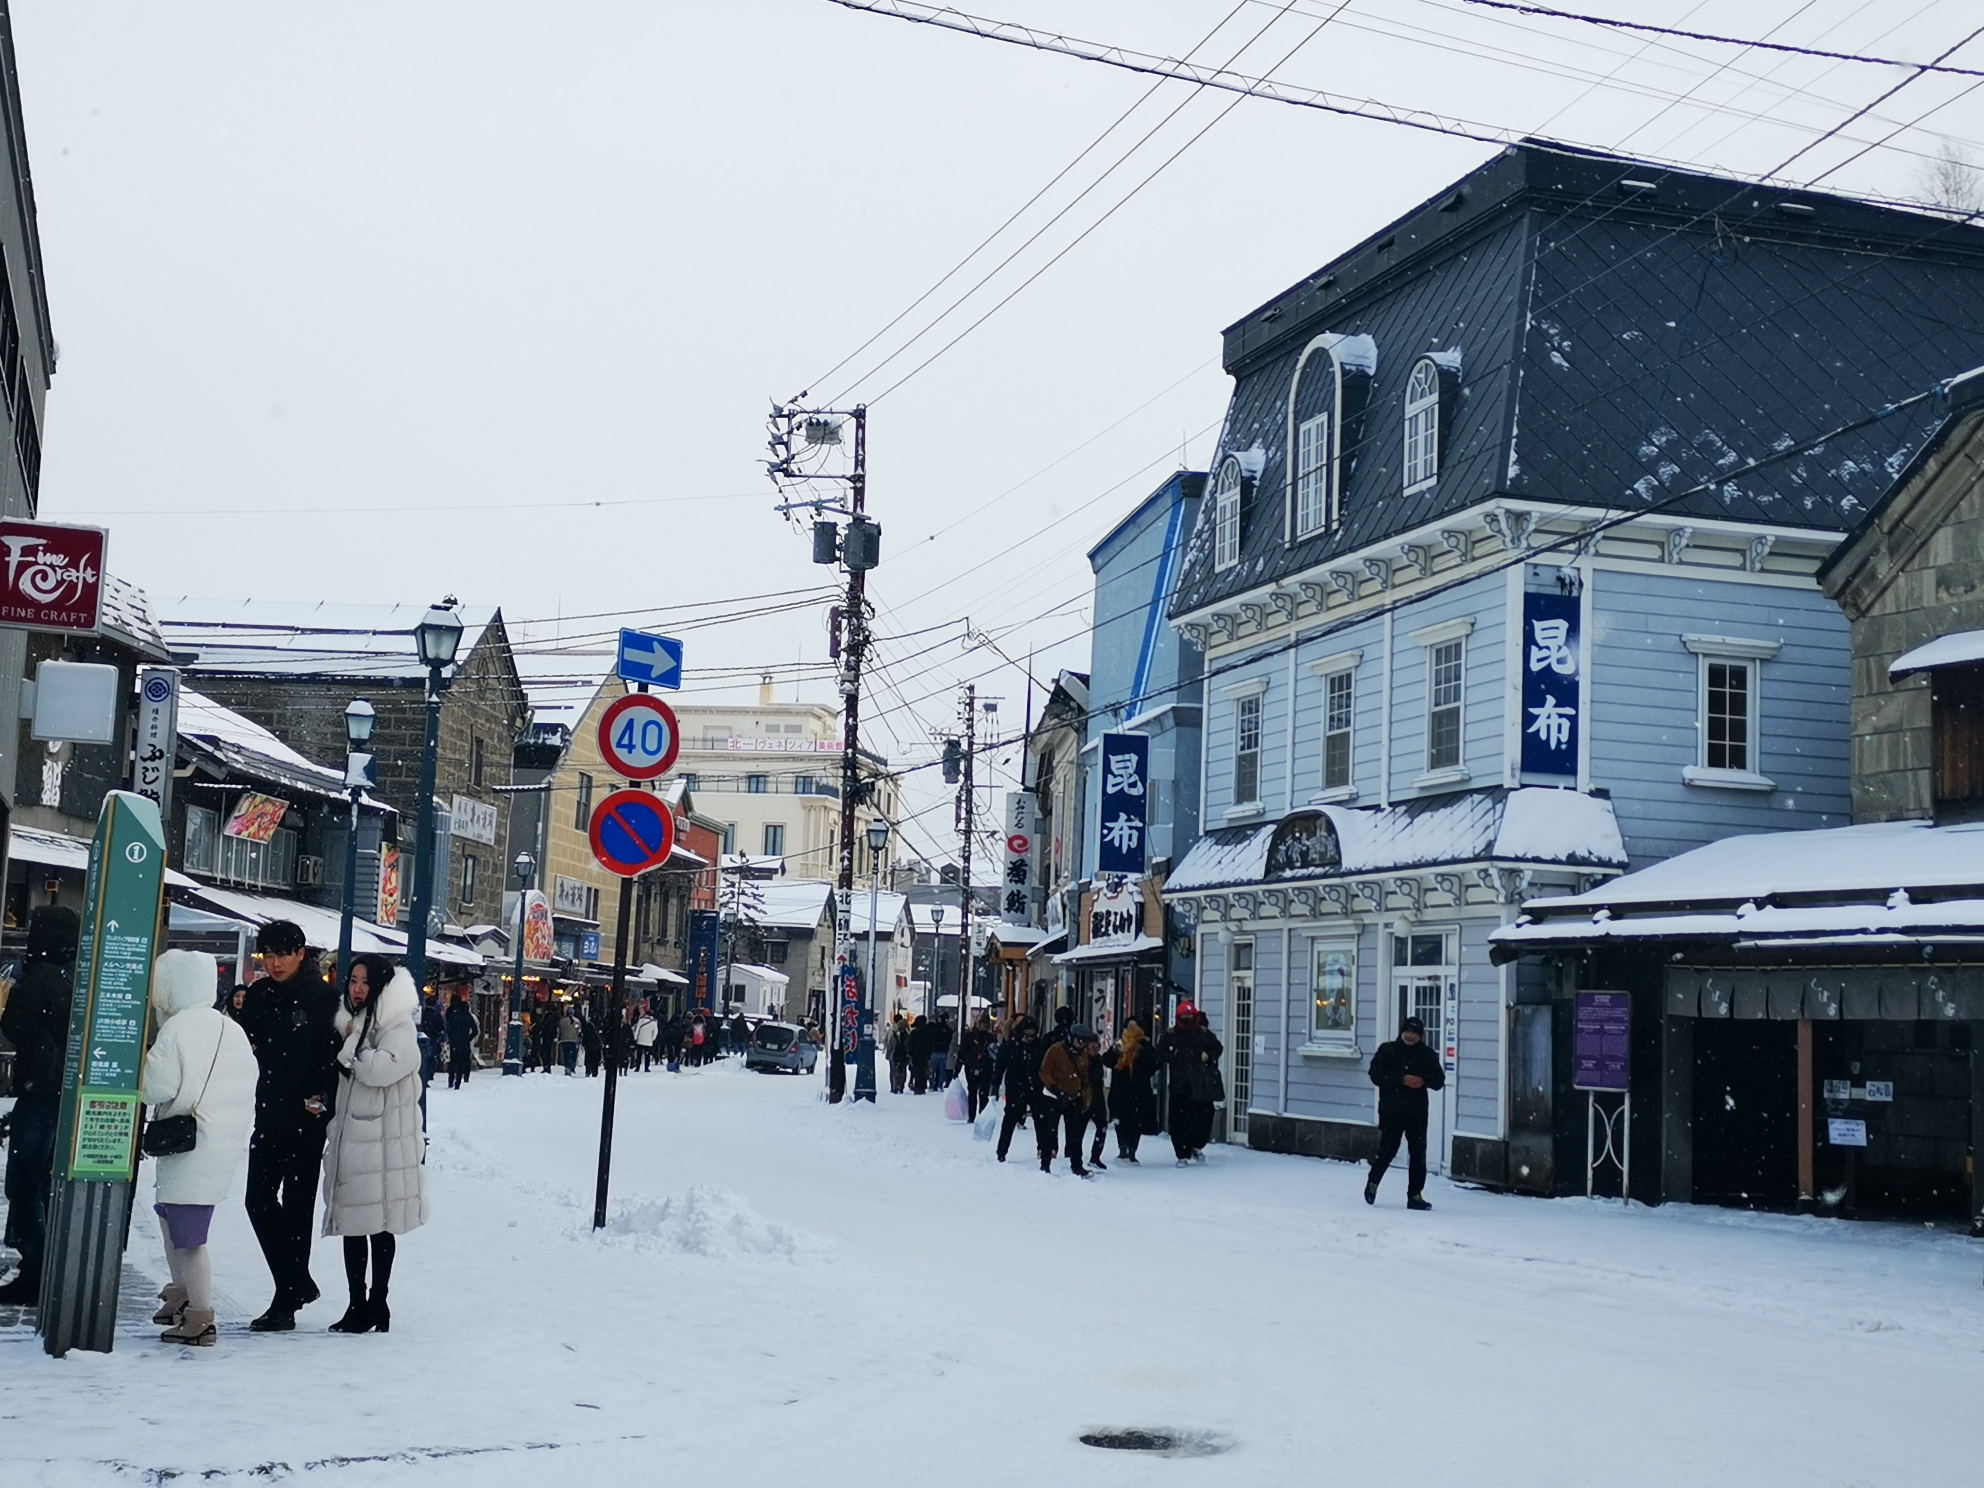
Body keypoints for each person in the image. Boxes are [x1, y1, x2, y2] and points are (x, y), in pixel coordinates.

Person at [140, 950, 259, 1346]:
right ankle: (182, 1292)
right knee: (172, 1217)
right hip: (216, 1142)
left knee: (188, 1235)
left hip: (188, 1143)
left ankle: (201, 1316)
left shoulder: (177, 1029)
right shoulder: (231, 1027)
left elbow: (155, 1087)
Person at [236, 920, 341, 1331]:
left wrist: (319, 1098)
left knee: (298, 1206)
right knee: (257, 1199)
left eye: (283, 954)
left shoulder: (323, 998)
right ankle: (296, 1281)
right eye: (269, 955)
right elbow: (248, 1046)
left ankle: (286, 1301)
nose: (275, 963)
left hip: (307, 1115)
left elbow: (330, 1056)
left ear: (301, 954)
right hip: (269, 1111)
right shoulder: (259, 996)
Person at [321, 954, 428, 1333]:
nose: (357, 988)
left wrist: (353, 1046)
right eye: (352, 980)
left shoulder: (398, 1027)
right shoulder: (353, 1024)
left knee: (379, 1227)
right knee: (352, 1224)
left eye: (365, 981)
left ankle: (377, 1302)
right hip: (354, 1143)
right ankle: (356, 1303)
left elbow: (379, 1071)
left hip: (383, 1146)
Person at [0, 905, 80, 1306]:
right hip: (69, 1092)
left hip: (40, 1091)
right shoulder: (80, 974)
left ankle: (36, 1267)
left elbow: (14, 1026)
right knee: (50, 1181)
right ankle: (52, 1265)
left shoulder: (40, 977)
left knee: (24, 1181)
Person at [1365, 1016, 1446, 1211]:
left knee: (1418, 1154)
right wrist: (1401, 1079)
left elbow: (1439, 1080)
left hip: (1416, 1112)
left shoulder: (1426, 1055)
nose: (1410, 1036)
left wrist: (1423, 1080)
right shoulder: (1388, 1050)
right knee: (1388, 1150)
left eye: (1415, 1033)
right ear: (1401, 1032)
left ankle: (1415, 1195)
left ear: (1421, 1036)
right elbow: (1375, 1075)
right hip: (1392, 1110)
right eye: (1407, 1032)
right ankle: (1373, 1183)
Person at [1163, 1002, 1224, 1167]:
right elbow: (1160, 1052)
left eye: (1191, 1017)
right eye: (1185, 1018)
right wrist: (1173, 1056)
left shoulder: (1203, 1033)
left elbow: (1218, 1047)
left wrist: (1209, 1055)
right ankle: (1181, 1154)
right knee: (1178, 1121)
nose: (1188, 1021)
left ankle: (1196, 1146)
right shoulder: (1171, 1034)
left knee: (1202, 1119)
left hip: (1201, 1086)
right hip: (1179, 1086)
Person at [1035, 1024, 1096, 1177]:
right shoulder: (1055, 1050)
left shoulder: (1083, 1054)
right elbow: (1044, 1072)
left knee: (1075, 1133)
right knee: (1050, 1131)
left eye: (1084, 1043)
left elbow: (1084, 1075)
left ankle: (1077, 1164)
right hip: (1053, 1096)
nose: (1081, 1045)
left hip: (1074, 1097)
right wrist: (1056, 1090)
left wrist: (1083, 1093)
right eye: (1079, 1041)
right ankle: (1045, 1164)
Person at [1103, 1019, 1157, 1163]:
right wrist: (1116, 1052)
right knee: (1120, 1119)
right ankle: (1122, 1148)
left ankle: (1132, 1150)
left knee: (1136, 1121)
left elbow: (1154, 1065)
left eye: (1136, 1025)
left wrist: (1142, 1056)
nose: (1133, 1028)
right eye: (1130, 1025)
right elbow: (1107, 1061)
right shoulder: (1119, 1043)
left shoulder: (1145, 1045)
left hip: (1138, 1090)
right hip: (1119, 1089)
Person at [992, 1016, 1040, 1163]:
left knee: (1040, 1120)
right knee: (1009, 1120)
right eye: (1027, 1035)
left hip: (1035, 1088)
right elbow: (1000, 1066)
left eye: (1033, 1035)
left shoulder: (1039, 1046)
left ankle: (1043, 1149)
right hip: (1015, 1087)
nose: (1030, 1038)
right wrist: (995, 1085)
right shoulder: (1011, 1046)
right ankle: (1002, 1152)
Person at [960, 1012, 996, 1120]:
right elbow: (963, 1051)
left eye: (987, 1024)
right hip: (972, 1066)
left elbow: (994, 1053)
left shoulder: (990, 1038)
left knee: (984, 1093)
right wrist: (959, 1066)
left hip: (986, 1067)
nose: (985, 1026)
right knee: (972, 1091)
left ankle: (982, 1116)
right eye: (983, 1023)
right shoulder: (970, 1036)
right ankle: (972, 1116)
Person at [444, 992, 478, 1090]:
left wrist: (450, 1036)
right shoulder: (466, 1014)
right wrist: (468, 1038)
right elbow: (475, 1030)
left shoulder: (450, 1012)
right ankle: (458, 1082)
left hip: (454, 1040)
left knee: (453, 1061)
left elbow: (446, 1026)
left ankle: (451, 1081)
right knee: (461, 1062)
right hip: (464, 1041)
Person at [885, 1013, 910, 1095]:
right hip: (904, 1055)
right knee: (903, 1070)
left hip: (894, 1054)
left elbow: (888, 1043)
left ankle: (894, 1086)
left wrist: (888, 1051)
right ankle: (901, 1086)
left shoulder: (892, 1031)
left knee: (893, 1070)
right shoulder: (908, 1034)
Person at [558, 1007, 581, 1075]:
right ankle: (572, 1067)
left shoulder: (562, 1021)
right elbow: (578, 1030)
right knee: (573, 1054)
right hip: (574, 1040)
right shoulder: (576, 1021)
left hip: (564, 1039)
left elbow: (560, 1030)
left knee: (566, 1054)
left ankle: (567, 1066)